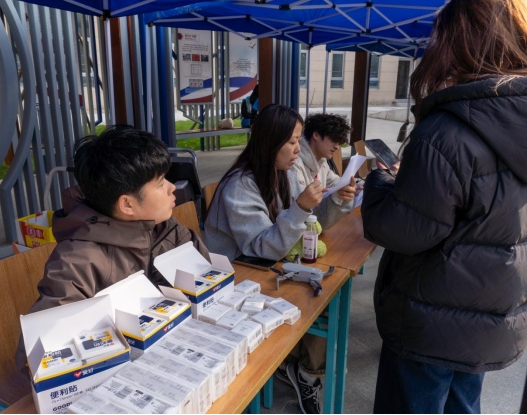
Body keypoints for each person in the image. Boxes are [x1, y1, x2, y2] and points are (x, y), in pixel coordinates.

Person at [361, 0, 527, 413]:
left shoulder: (446, 130)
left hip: (430, 319)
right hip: (491, 315)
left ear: (458, 42)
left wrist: (381, 183)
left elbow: (403, 230)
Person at [16, 126, 209, 376]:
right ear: (127, 204)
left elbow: (208, 279)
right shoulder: (78, 262)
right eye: (161, 183)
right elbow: (38, 357)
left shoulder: (164, 226)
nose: (173, 187)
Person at [205, 104, 356, 262]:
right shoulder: (240, 186)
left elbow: (310, 223)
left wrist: (337, 199)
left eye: (299, 141)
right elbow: (262, 248)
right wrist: (301, 207)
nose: (298, 149)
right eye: (292, 142)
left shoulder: (285, 174)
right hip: (236, 268)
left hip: (269, 261)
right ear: (270, 142)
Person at [280, 112, 356, 415]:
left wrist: (346, 191)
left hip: (293, 247)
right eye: (291, 142)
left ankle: (299, 363)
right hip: (280, 257)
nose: (337, 146)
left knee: (328, 286)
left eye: (297, 142)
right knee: (324, 293)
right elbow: (300, 221)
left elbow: (309, 215)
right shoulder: (288, 170)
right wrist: (322, 203)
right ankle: (307, 371)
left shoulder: (320, 163)